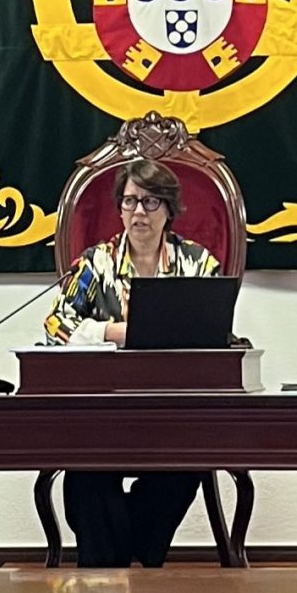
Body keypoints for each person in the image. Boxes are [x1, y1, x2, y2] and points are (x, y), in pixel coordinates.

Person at [45, 158, 222, 566]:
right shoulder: (96, 263)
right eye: (129, 201)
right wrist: (116, 332)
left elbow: (214, 330)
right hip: (103, 411)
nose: (138, 211)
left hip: (172, 412)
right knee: (85, 477)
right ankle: (113, 580)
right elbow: (56, 324)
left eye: (150, 201)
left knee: (184, 469)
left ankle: (118, 559)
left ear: (169, 209)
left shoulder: (197, 265)